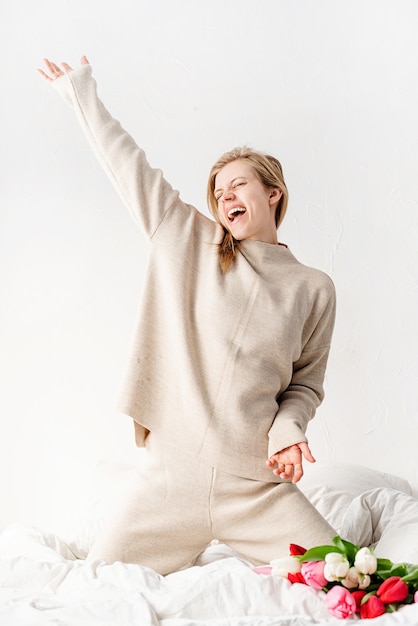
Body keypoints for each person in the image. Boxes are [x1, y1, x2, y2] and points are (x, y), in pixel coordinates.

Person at [37, 57, 337, 575]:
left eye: (239, 185)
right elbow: (129, 166)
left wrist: (290, 428)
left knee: (355, 578)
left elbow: (305, 386)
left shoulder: (314, 288)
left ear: (273, 193)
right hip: (169, 480)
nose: (225, 196)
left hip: (257, 488)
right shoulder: (188, 241)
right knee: (94, 587)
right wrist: (80, 92)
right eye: (218, 191)